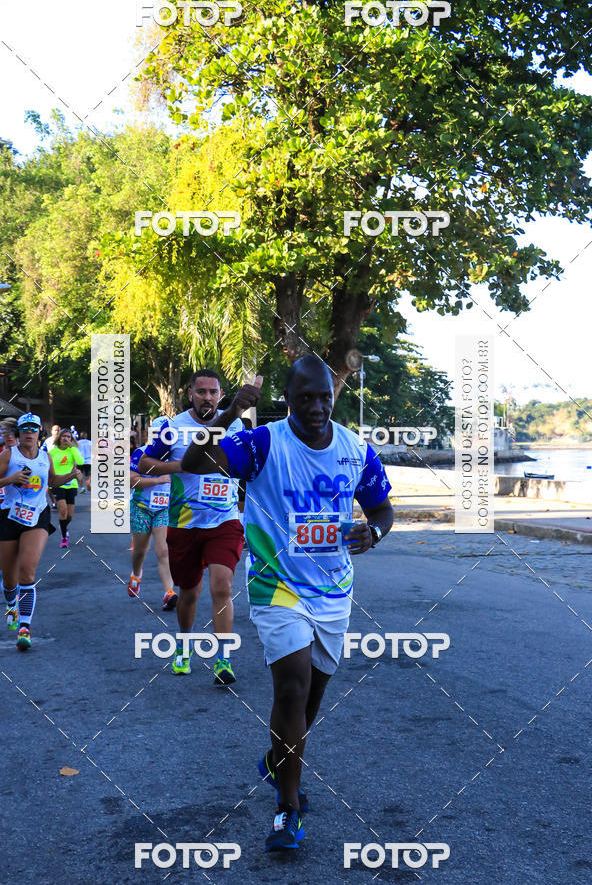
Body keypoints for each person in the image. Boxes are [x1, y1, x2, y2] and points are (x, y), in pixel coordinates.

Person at [180, 356, 394, 851]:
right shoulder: (261, 444)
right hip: (277, 587)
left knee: (311, 697)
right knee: (292, 690)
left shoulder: (355, 449)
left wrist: (375, 531)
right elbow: (193, 465)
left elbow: (383, 508)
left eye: (324, 397)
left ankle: (278, 760)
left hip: (334, 590)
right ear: (287, 399)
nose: (317, 407)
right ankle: (288, 808)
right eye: (305, 399)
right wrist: (231, 410)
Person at [138, 370, 245, 684]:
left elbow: (253, 463)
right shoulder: (174, 428)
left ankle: (223, 660)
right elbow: (144, 464)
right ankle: (183, 645)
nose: (207, 398)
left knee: (222, 587)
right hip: (184, 523)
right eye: (201, 392)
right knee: (189, 593)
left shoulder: (236, 425)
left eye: (213, 392)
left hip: (224, 521)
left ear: (221, 396)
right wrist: (181, 466)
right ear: (190, 394)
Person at [0, 412, 78, 650]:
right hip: (9, 517)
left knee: (27, 572)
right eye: (25, 429)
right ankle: (11, 604)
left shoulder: (45, 457)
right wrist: (10, 479)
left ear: (39, 432)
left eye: (33, 428)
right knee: (9, 580)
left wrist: (70, 475)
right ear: (19, 433)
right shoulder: (8, 455)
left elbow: (52, 481)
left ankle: (24, 627)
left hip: (37, 516)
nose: (29, 432)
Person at [129, 435, 177, 611]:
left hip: (163, 509)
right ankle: (136, 574)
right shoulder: (141, 453)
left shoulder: (176, 455)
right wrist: (157, 480)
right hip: (141, 507)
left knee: (163, 550)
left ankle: (168, 593)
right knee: (141, 550)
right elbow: (132, 481)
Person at [0, 419, 18, 593]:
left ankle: (11, 583)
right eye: (5, 434)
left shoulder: (29, 455)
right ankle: (2, 574)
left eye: (12, 433)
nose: (9, 437)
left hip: (17, 511)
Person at [48, 428, 84, 548]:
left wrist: (73, 447)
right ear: (59, 438)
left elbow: (81, 461)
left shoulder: (72, 451)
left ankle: (63, 524)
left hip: (71, 484)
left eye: (69, 437)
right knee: (63, 510)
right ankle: (64, 537)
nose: (66, 439)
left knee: (69, 515)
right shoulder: (53, 452)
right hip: (57, 484)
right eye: (64, 436)